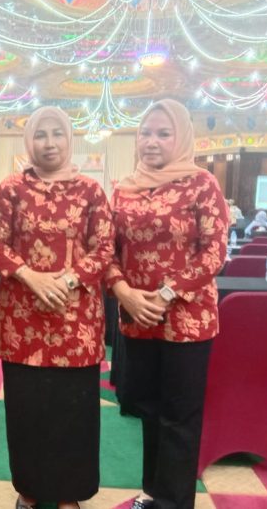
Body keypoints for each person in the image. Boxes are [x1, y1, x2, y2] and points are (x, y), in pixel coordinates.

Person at [0, 106, 115, 509]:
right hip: (22, 319)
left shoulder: (90, 191)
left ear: (70, 138)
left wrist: (68, 280)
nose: (50, 143)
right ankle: (29, 489)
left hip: (76, 323)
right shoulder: (11, 189)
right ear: (29, 141)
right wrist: (30, 276)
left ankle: (67, 494)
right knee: (27, 410)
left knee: (72, 413)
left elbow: (104, 248)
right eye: (41, 134)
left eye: (57, 133)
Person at [105, 99, 229, 509]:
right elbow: (107, 251)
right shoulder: (124, 188)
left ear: (182, 138)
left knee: (179, 416)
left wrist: (166, 293)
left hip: (187, 320)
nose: (151, 141)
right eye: (145, 133)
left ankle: (174, 503)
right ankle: (153, 491)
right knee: (148, 410)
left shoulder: (202, 183)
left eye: (163, 133)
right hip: (138, 317)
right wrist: (123, 291)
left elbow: (214, 252)